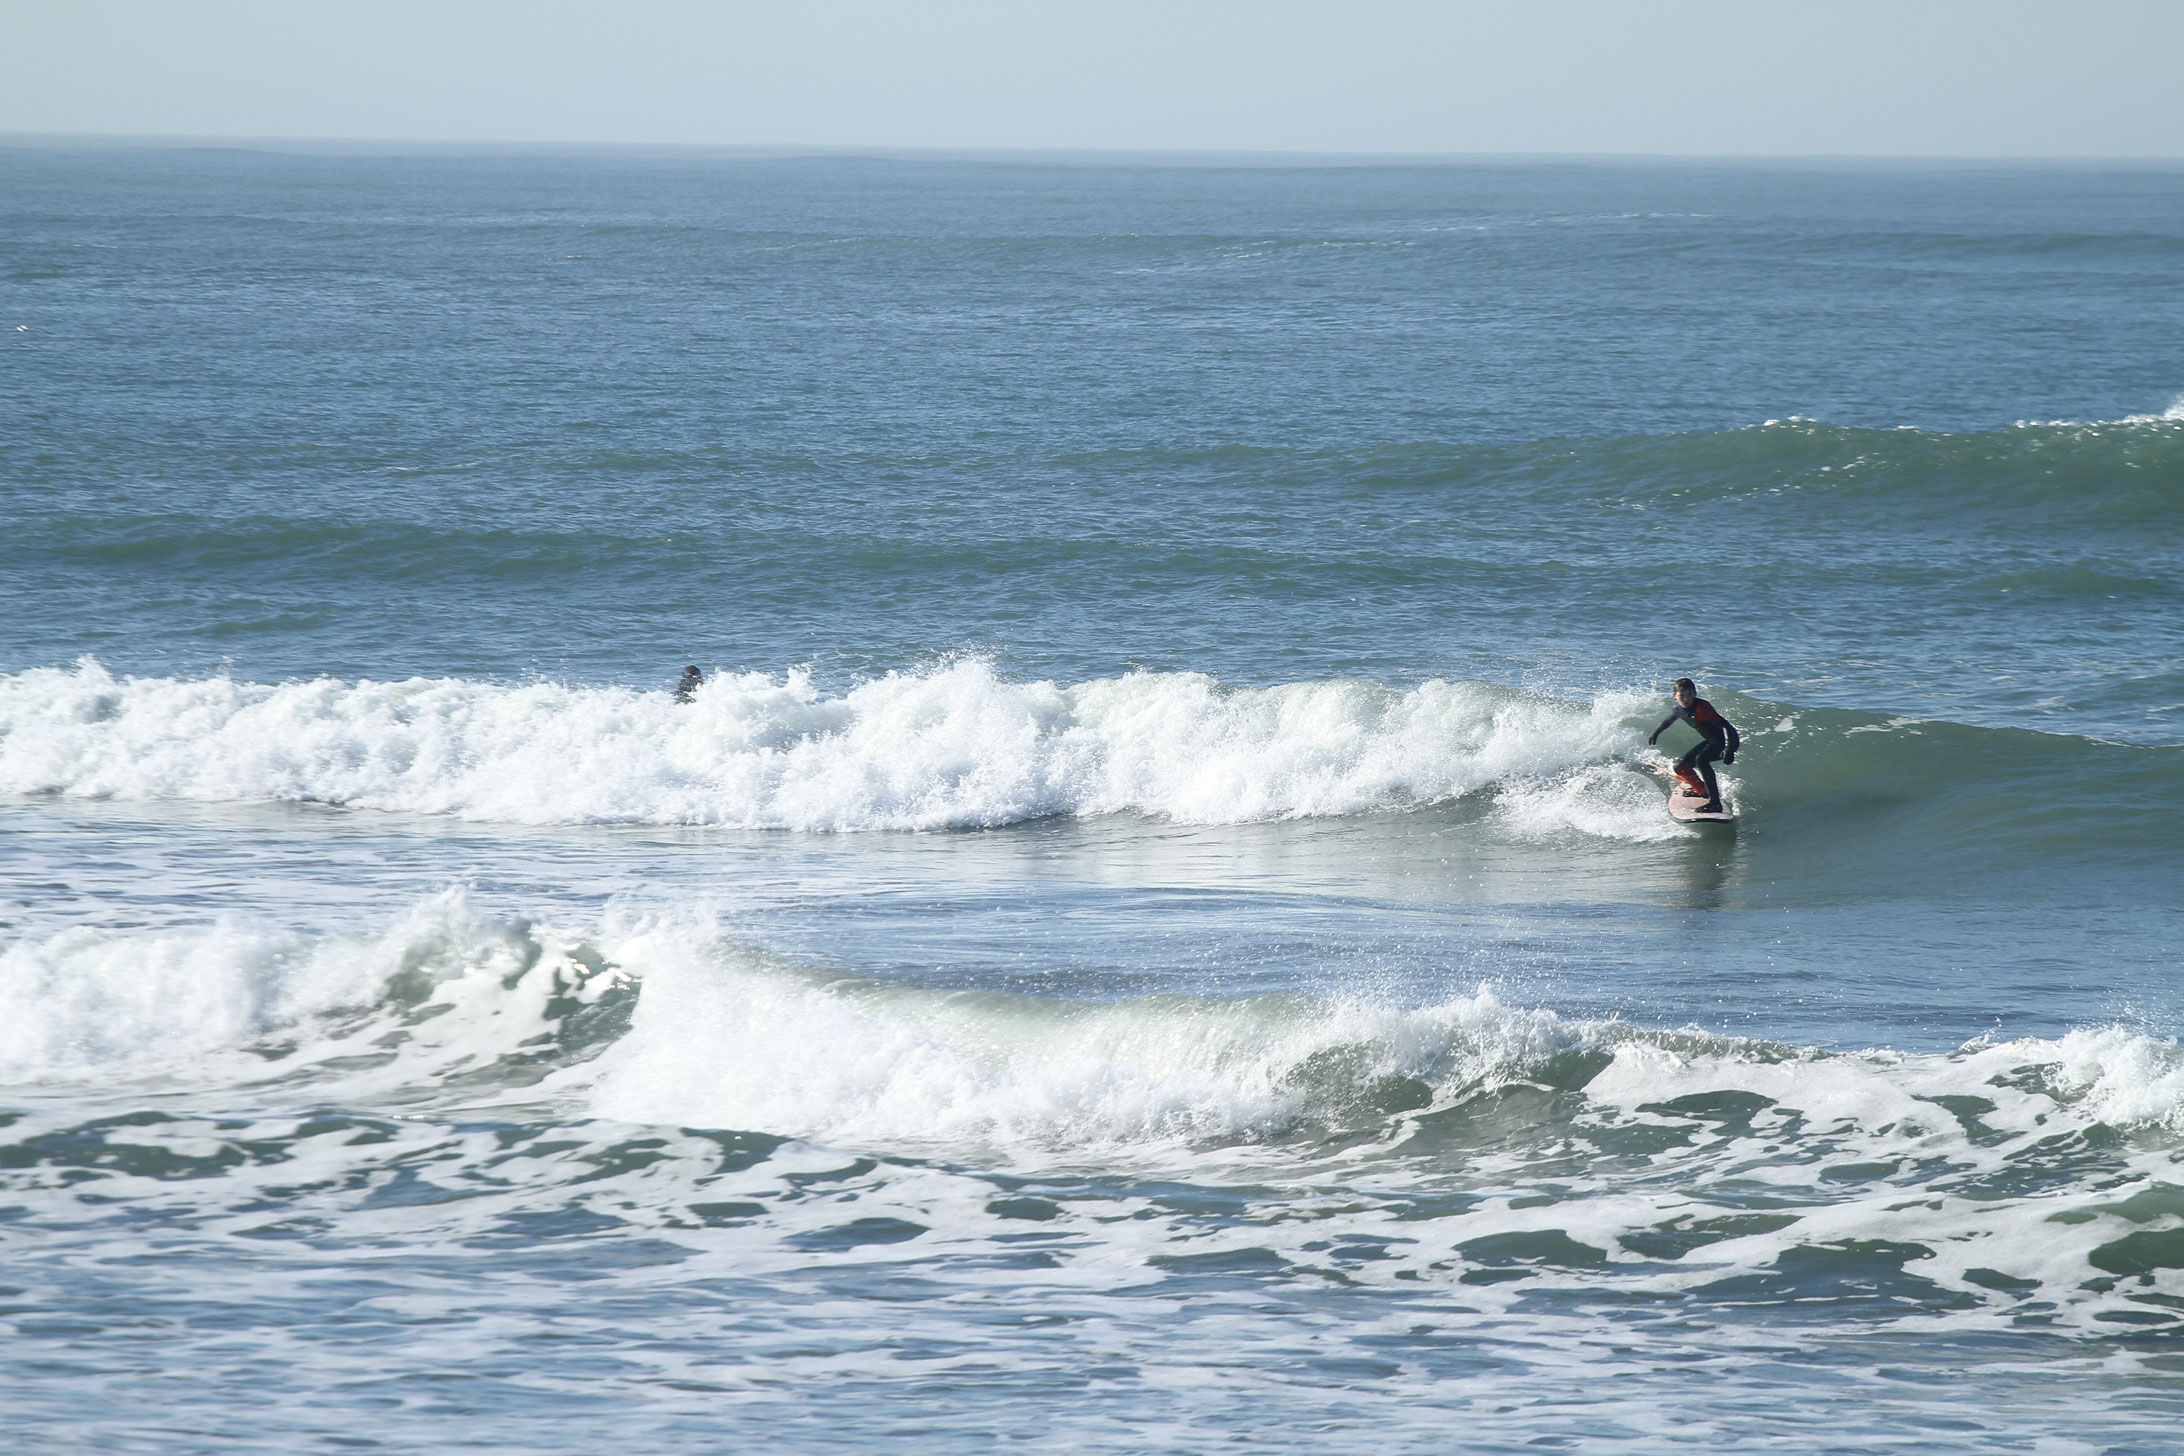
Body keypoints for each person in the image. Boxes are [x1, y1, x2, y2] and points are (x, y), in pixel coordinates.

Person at [1649, 677, 1739, 813]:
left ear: (1695, 694)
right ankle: (1702, 791)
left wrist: (1730, 749)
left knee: (1701, 760)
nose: (1686, 699)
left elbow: (1727, 727)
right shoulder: (1679, 710)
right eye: (1682, 695)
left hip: (1721, 743)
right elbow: (1668, 720)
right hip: (1710, 741)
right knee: (1680, 766)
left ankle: (1715, 803)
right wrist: (1656, 733)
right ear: (1675, 696)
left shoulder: (1702, 708)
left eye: (1689, 694)